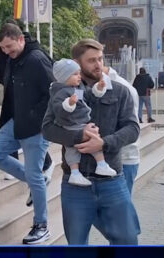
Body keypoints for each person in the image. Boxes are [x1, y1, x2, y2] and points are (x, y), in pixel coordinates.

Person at [41, 39, 140, 258]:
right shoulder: (62, 93)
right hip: (76, 182)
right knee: (77, 245)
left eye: (100, 59)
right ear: (78, 64)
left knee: (126, 235)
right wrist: (78, 137)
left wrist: (104, 143)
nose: (98, 65)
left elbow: (132, 128)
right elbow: (47, 129)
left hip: (112, 178)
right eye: (91, 60)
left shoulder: (119, 91)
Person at [0, 22, 53, 245]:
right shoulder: (11, 59)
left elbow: (54, 91)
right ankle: (38, 181)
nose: (6, 51)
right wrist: (3, 53)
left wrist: (36, 117)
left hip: (36, 126)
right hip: (15, 121)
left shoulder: (36, 59)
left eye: (9, 47)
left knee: (34, 175)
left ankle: (41, 226)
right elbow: (0, 73)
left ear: (21, 39)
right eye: (3, 48)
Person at [49, 58, 117, 186]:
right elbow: (58, 109)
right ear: (64, 77)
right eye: (75, 74)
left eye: (79, 73)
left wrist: (98, 88)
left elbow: (88, 96)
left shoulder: (76, 88)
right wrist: (69, 104)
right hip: (71, 124)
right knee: (77, 146)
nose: (79, 76)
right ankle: (81, 171)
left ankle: (98, 166)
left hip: (80, 122)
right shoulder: (60, 92)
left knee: (87, 142)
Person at [104, 65, 142, 194]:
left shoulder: (124, 88)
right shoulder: (87, 86)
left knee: (118, 205)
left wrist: (103, 143)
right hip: (100, 161)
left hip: (124, 159)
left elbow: (131, 128)